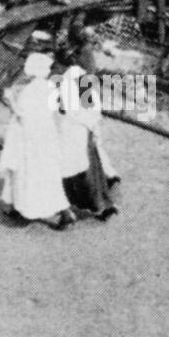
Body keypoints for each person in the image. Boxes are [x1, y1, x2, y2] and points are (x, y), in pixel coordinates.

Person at [0, 52, 75, 230]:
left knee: (27, 173)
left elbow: (23, 113)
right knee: (47, 175)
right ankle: (63, 211)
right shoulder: (49, 87)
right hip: (46, 135)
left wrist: (8, 99)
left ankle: (25, 209)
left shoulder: (29, 90)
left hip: (30, 137)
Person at [54, 60, 118, 221]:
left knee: (72, 173)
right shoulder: (78, 79)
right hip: (79, 133)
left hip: (70, 134)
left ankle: (91, 205)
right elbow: (90, 111)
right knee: (86, 173)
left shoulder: (65, 80)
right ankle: (100, 205)